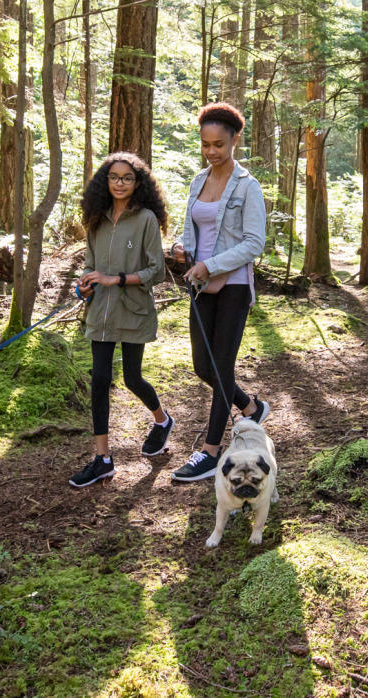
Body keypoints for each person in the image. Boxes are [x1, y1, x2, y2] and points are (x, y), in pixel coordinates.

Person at [168, 102, 269, 483]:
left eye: (219, 145)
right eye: (206, 144)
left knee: (221, 365)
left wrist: (211, 264)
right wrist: (182, 247)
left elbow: (253, 243)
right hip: (200, 284)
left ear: (234, 140)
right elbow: (192, 229)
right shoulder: (198, 181)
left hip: (234, 286)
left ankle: (211, 452)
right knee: (202, 366)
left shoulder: (248, 186)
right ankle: (250, 406)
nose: (211, 152)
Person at [69, 152, 172, 488]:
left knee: (131, 378)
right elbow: (90, 262)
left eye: (127, 178)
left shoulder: (145, 219)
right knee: (99, 380)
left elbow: (157, 270)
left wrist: (119, 278)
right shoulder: (96, 219)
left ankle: (162, 420)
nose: (120, 183)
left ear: (138, 183)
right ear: (105, 180)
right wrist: (86, 282)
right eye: (114, 176)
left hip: (134, 310)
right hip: (100, 312)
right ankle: (103, 459)